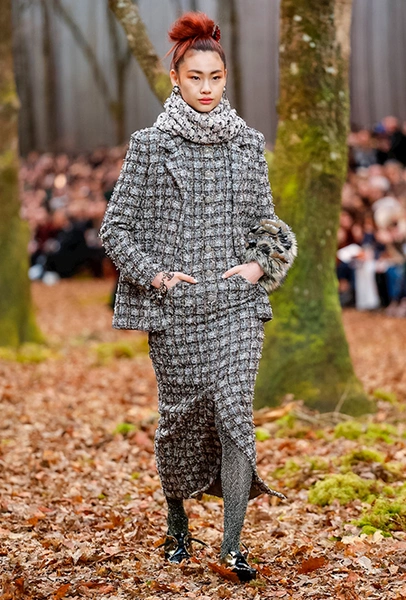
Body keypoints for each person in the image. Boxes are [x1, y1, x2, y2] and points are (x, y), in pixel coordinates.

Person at [99, 11, 297, 582]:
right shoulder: (150, 146)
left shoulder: (248, 144)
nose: (206, 88)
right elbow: (115, 229)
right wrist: (157, 276)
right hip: (177, 312)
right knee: (179, 422)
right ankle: (177, 519)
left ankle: (232, 545)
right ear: (176, 79)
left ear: (226, 77)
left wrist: (258, 266)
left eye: (215, 77)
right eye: (195, 78)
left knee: (235, 416)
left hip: (237, 305)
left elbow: (265, 223)